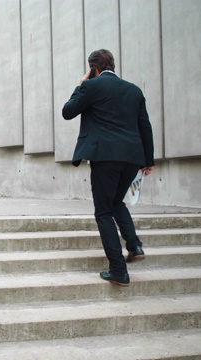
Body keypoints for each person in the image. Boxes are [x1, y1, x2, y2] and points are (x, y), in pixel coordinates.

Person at [62, 49, 154, 287]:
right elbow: (145, 126)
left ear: (93, 68)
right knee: (115, 203)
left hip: (105, 157)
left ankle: (118, 270)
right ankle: (134, 245)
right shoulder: (134, 90)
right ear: (112, 65)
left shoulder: (92, 87)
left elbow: (68, 111)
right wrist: (148, 160)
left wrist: (80, 85)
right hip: (133, 158)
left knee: (103, 211)